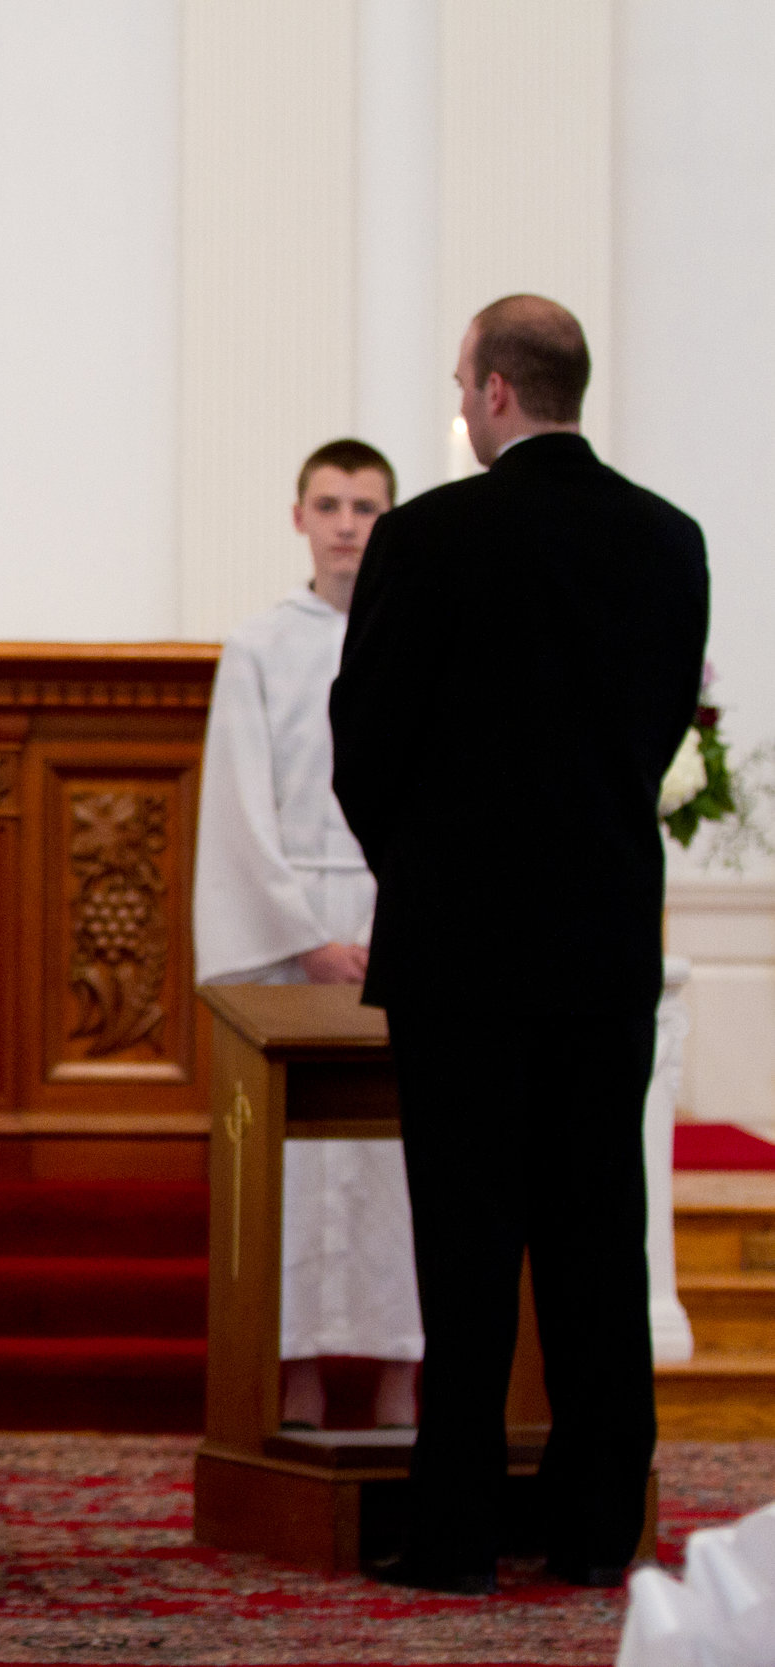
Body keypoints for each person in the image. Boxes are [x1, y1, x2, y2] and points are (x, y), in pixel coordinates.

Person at [332, 295, 710, 1594]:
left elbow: (365, 738)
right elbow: (661, 727)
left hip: (462, 954)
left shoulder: (428, 537)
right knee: (600, 1239)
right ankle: (600, 1525)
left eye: (459, 382)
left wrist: (425, 871)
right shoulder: (668, 541)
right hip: (601, 940)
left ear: (496, 392)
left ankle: (456, 1530)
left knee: (470, 1246)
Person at [193, 439, 422, 1431]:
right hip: (290, 944)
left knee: (395, 1166)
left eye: (365, 506)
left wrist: (396, 920)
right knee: (291, 1167)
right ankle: (289, 1367)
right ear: (298, 517)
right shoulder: (258, 645)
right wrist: (303, 934)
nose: (345, 523)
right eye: (328, 503)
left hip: (397, 926)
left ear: (388, 520)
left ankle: (399, 1370)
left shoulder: (421, 632)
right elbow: (240, 807)